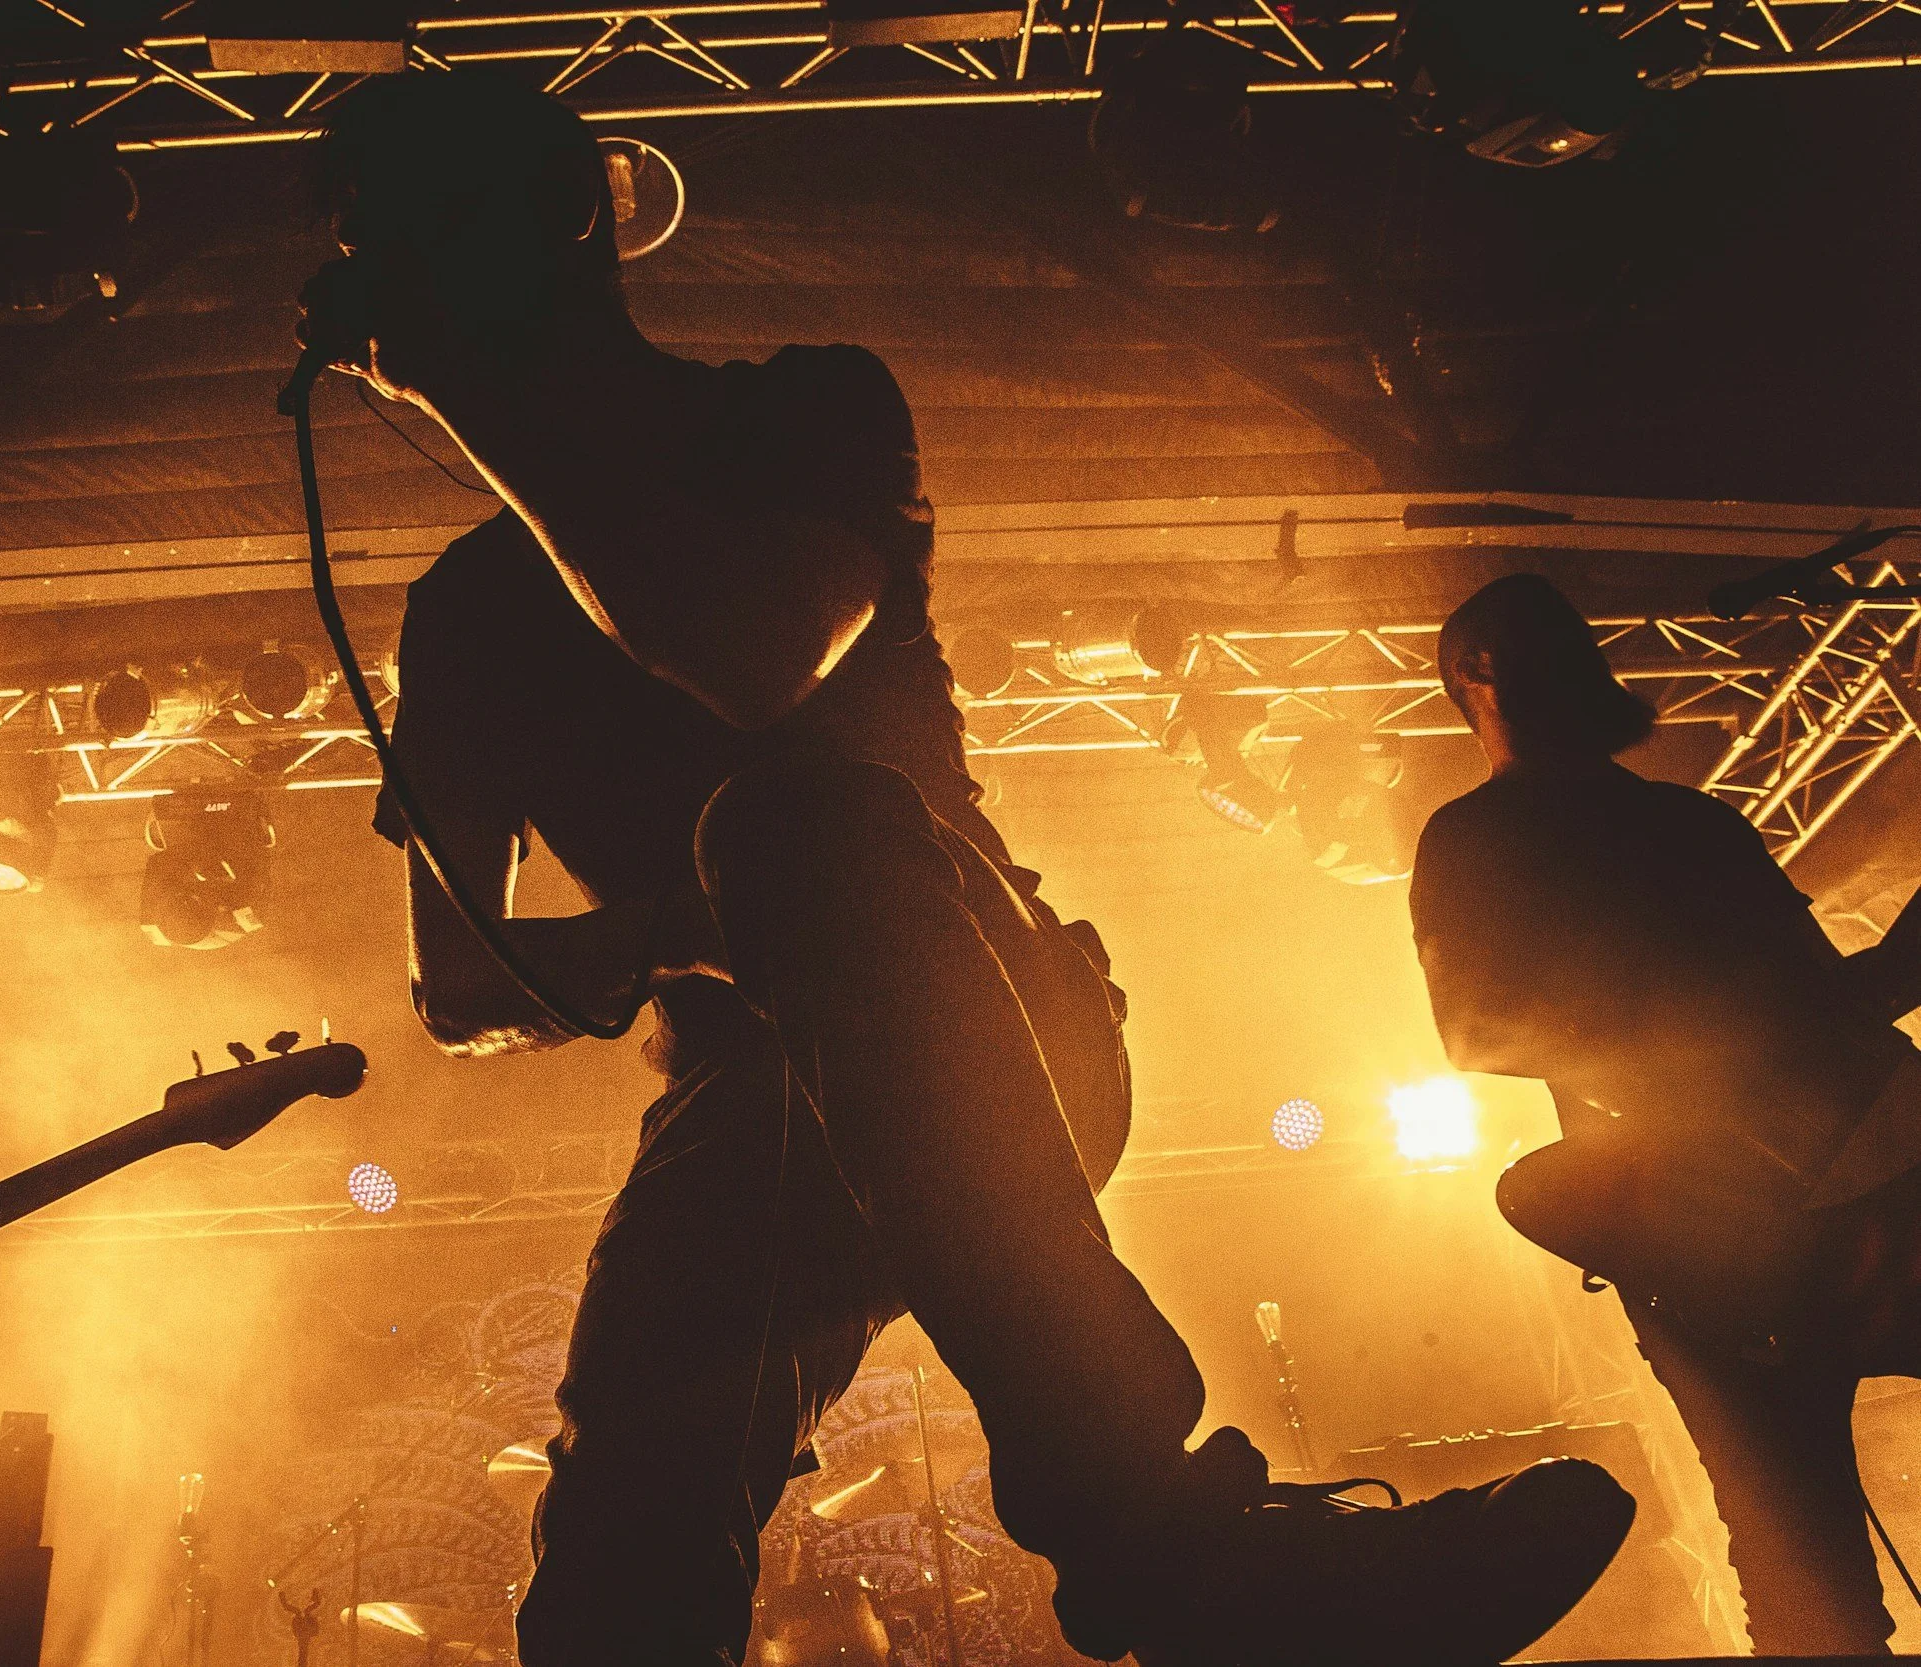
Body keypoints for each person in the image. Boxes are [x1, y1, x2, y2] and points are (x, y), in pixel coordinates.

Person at [301, 70, 1635, 1667]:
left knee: (796, 821)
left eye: (409, 234)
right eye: (365, 249)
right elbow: (460, 983)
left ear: (564, 216)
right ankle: (1191, 1560)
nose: (383, 281)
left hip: (998, 1007)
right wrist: (692, 934)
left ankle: (1160, 1533)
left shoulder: (802, 414)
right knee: (619, 1541)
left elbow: (753, 652)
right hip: (738, 1096)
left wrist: (465, 394)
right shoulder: (463, 613)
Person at [1412, 572, 1921, 1654]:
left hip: (1736, 1232)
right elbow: (1478, 1033)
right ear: (1481, 672)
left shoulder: (1625, 825)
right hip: (1788, 1209)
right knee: (1800, 1578)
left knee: (1803, 1580)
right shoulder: (1568, 831)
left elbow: (1480, 1031)